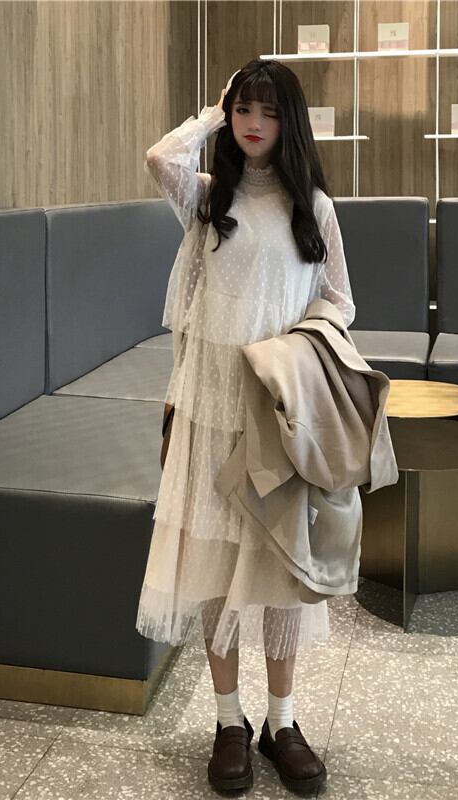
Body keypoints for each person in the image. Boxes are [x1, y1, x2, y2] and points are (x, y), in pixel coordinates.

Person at [137, 58, 356, 795]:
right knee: (213, 565)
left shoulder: (313, 207)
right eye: (242, 110)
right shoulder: (209, 199)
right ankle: (228, 720)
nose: (253, 124)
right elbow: (159, 158)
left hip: (277, 416)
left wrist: (297, 351)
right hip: (210, 410)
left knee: (279, 569)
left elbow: (340, 301)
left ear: (289, 121)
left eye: (267, 110)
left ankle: (281, 722)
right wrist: (213, 106)